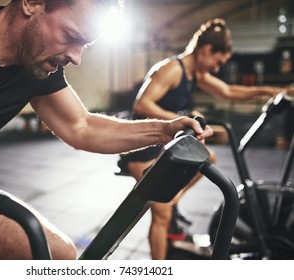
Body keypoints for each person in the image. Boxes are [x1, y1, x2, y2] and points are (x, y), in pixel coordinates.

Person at [0, 0, 213, 260]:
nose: (76, 58)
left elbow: (82, 126)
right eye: (71, 36)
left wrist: (164, 130)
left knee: (59, 256)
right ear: (31, 4)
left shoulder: (35, 67)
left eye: (85, 45)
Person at [118, 18, 284, 260]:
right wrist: (181, 118)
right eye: (218, 61)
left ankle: (171, 201)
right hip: (142, 146)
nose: (217, 68)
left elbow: (228, 91)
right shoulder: (173, 69)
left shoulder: (195, 74)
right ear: (206, 50)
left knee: (209, 158)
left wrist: (269, 91)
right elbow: (142, 104)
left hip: (164, 146)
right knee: (162, 214)